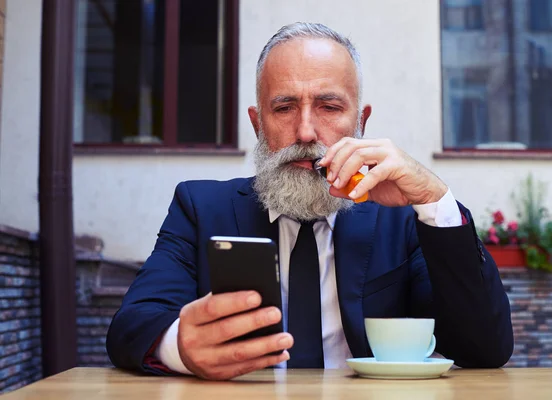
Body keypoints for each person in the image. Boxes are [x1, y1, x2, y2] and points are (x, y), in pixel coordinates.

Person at [106, 22, 513, 380]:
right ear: (257, 123)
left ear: (361, 122)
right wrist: (180, 346)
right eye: (284, 107)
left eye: (328, 106)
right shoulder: (199, 207)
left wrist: (433, 199)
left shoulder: (402, 217)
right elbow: (133, 325)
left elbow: (484, 348)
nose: (305, 133)